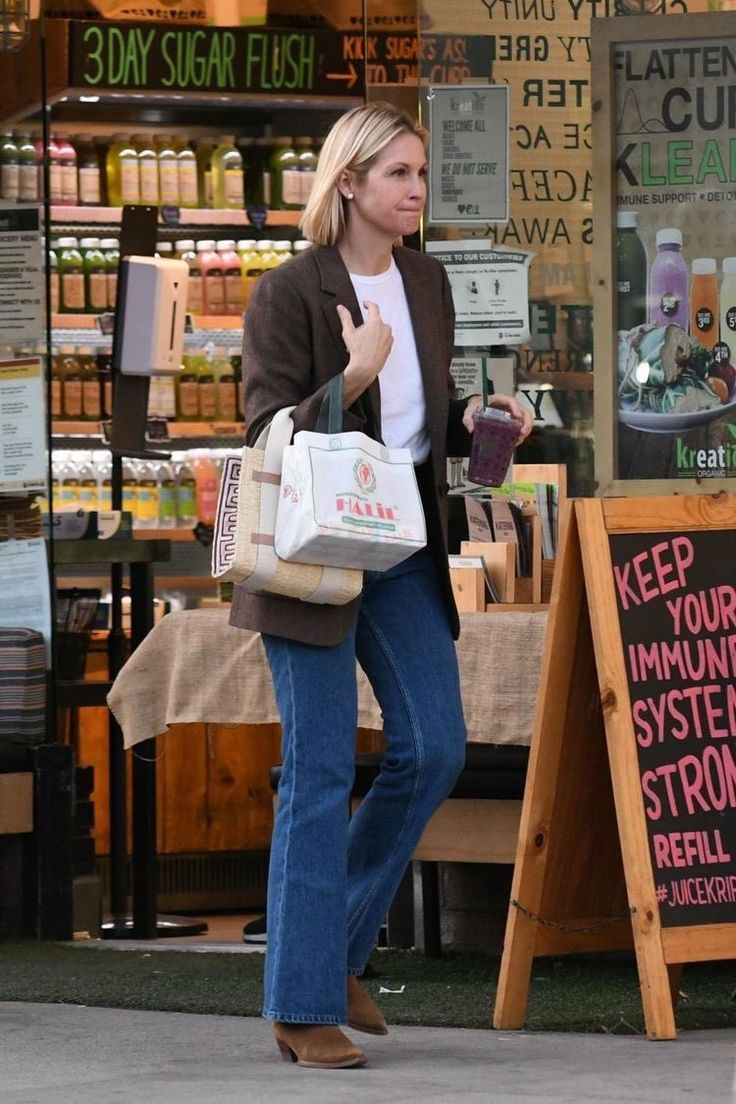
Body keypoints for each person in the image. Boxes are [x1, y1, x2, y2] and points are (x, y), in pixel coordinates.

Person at [229, 101, 532, 1069]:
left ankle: (331, 944)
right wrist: (350, 377)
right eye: (398, 173)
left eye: (421, 174)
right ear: (348, 182)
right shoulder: (288, 290)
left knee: (435, 748)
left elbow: (421, 421)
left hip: (398, 539)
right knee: (317, 771)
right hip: (310, 552)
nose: (415, 190)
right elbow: (261, 426)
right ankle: (301, 1001)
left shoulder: (425, 281)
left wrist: (483, 425)